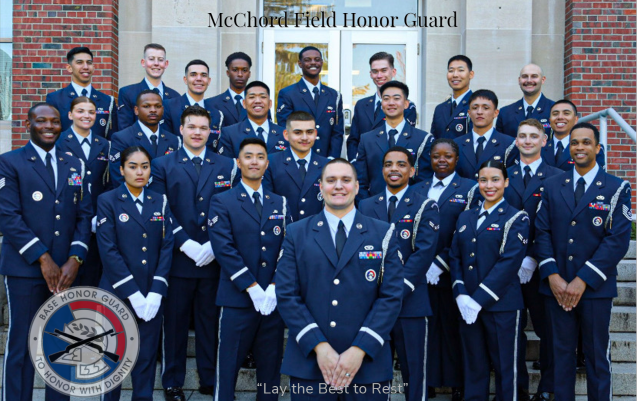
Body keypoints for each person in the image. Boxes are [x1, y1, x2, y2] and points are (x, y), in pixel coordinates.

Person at [276, 158, 403, 400]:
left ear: (356, 187)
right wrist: (320, 347)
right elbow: (286, 295)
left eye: (346, 180)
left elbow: (391, 296)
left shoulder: (383, 232)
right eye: (331, 180)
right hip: (311, 363)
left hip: (367, 365)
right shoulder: (296, 233)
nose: (338, 186)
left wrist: (359, 349)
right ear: (320, 187)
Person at [0, 103, 92, 401]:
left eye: (54, 121)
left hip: (66, 271)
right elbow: (8, 216)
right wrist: (43, 257)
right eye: (41, 121)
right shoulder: (10, 162)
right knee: (23, 342)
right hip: (25, 269)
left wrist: (75, 258)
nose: (49, 126)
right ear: (28, 124)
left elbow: (83, 214)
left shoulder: (73, 163)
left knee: (62, 344)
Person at [535, 122, 632, 401]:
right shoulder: (553, 185)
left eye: (586, 142)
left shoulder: (616, 188)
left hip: (594, 290)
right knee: (561, 356)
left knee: (596, 356)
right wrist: (552, 275)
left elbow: (617, 240)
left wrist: (582, 280)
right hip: (556, 288)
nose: (579, 147)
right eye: (575, 142)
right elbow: (542, 232)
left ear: (597, 148)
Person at [149, 105, 239, 401]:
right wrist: (185, 242)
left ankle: (208, 379)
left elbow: (232, 208)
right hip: (177, 258)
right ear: (181, 130)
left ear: (211, 131)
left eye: (203, 127)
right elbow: (160, 209)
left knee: (209, 323)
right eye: (192, 127)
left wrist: (215, 243)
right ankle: (173, 383)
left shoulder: (227, 165)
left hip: (214, 259)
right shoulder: (162, 165)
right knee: (173, 325)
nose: (198, 132)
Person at [208, 138, 291, 401]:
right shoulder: (222, 201)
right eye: (248, 156)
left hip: (272, 301)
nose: (254, 161)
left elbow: (288, 247)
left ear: (267, 163)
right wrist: (252, 287)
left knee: (270, 370)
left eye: (260, 157)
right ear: (238, 162)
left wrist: (275, 286)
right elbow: (223, 248)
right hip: (238, 299)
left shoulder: (280, 202)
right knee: (228, 366)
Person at [359, 147, 439, 401]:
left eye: (401, 164)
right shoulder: (366, 204)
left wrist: (395, 289)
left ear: (412, 171)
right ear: (382, 169)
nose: (394, 169)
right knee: (374, 373)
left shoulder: (426, 204)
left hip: (411, 302)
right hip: (374, 303)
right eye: (388, 164)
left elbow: (424, 252)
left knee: (415, 373)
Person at [96, 146, 175, 401]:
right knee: (114, 358)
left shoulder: (159, 201)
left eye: (144, 166)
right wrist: (134, 294)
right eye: (132, 166)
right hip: (118, 292)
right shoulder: (107, 201)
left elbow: (167, 246)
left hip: (151, 293)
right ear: (121, 170)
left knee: (146, 356)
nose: (139, 172)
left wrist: (155, 292)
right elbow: (108, 251)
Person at [450, 160, 529, 401]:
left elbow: (508, 264)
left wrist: (478, 299)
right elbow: (455, 257)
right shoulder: (465, 217)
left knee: (507, 366)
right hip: (467, 306)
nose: (489, 185)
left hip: (501, 305)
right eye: (483, 180)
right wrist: (461, 293)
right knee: (474, 365)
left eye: (495, 179)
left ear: (506, 182)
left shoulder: (517, 218)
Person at [412, 138, 481, 401]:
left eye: (448, 156)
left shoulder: (470, 188)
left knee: (453, 328)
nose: (442, 160)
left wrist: (440, 262)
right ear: (429, 158)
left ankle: (456, 383)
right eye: (436, 156)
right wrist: (422, 262)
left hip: (453, 270)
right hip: (420, 271)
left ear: (456, 158)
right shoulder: (417, 188)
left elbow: (469, 230)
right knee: (426, 328)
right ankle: (427, 381)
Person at [504, 119, 562, 401]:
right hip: (508, 270)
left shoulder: (557, 176)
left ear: (544, 141)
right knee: (513, 333)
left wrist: (534, 257)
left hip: (541, 268)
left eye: (533, 136)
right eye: (522, 136)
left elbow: (556, 224)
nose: (527, 141)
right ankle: (518, 388)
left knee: (548, 330)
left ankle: (548, 387)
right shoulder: (504, 175)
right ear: (515, 141)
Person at [56, 96, 111, 287]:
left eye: (91, 112)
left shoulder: (104, 144)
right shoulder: (59, 141)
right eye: (80, 111)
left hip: (96, 220)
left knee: (92, 275)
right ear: (70, 115)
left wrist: (102, 213)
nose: (86, 116)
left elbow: (107, 182)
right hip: (69, 218)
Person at [354, 81, 434, 199]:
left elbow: (424, 181)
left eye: (396, 98)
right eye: (386, 99)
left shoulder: (422, 139)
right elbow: (360, 181)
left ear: (406, 104)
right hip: (374, 209)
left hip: (409, 207)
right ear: (381, 104)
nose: (391, 103)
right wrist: (366, 206)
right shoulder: (367, 139)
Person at [346, 52, 418, 160]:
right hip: (363, 166)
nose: (379, 76)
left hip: (391, 166)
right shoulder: (361, 105)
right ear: (370, 74)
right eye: (375, 71)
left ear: (393, 72)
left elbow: (404, 139)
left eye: (384, 70)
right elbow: (353, 139)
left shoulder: (406, 106)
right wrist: (354, 162)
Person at [276, 46, 344, 158]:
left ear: (322, 63)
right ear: (300, 63)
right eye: (308, 60)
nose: (313, 63)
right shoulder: (288, 93)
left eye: (317, 60)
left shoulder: (334, 95)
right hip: (299, 159)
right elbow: (286, 129)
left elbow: (337, 132)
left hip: (326, 159)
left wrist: (332, 159)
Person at [263, 111, 328, 221]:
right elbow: (267, 202)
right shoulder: (270, 163)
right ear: (286, 135)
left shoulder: (327, 165)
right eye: (298, 132)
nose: (304, 137)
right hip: (284, 231)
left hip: (317, 231)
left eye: (309, 132)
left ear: (315, 134)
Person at [109, 90, 180, 188]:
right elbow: (118, 177)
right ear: (136, 110)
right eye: (146, 106)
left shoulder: (173, 140)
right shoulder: (122, 138)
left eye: (157, 106)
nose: (153, 110)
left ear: (163, 110)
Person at [46, 46, 118, 138]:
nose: (85, 67)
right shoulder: (55, 99)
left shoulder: (107, 101)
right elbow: (51, 133)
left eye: (89, 63)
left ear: (93, 67)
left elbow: (112, 136)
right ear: (69, 68)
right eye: (79, 62)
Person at [454, 89, 518, 180]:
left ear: (496, 113)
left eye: (486, 108)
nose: (479, 112)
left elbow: (511, 179)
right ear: (469, 113)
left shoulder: (509, 144)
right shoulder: (456, 144)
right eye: (475, 108)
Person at [162, 60, 223, 150]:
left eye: (203, 75)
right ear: (185, 79)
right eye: (193, 74)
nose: (199, 79)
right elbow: (165, 142)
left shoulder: (217, 114)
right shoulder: (169, 106)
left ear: (209, 81)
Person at [218, 81, 288, 158]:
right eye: (252, 97)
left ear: (270, 103)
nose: (258, 101)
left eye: (263, 97)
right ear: (244, 104)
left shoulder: (284, 134)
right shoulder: (230, 134)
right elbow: (227, 166)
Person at [117, 43, 180, 129]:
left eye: (160, 60)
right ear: (143, 62)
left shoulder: (175, 97)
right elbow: (124, 130)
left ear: (166, 64)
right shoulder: (127, 93)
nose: (156, 63)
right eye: (151, 59)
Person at [542, 99, 606, 171]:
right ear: (550, 121)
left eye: (566, 113)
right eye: (555, 114)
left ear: (576, 119)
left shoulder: (591, 148)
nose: (560, 117)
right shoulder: (540, 148)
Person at [496, 64, 554, 138]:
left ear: (543, 80)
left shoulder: (554, 110)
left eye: (534, 76)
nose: (529, 80)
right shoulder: (505, 113)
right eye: (525, 76)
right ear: (519, 80)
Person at [430, 55, 474, 139]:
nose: (455, 75)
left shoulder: (476, 105)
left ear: (471, 74)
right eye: (451, 71)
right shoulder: (440, 109)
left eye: (461, 70)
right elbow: (434, 140)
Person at [204, 52, 252, 127]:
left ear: (249, 74)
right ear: (228, 72)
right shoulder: (211, 104)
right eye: (235, 70)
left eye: (244, 70)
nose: (240, 74)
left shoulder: (258, 103)